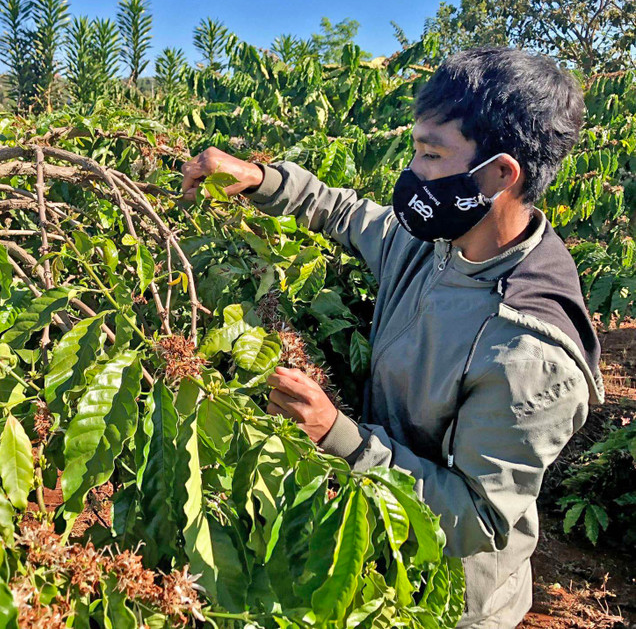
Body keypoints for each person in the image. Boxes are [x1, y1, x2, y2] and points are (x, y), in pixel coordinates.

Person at [179, 47, 603, 628]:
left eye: (431, 154)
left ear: (501, 174)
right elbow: (347, 214)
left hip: (447, 601)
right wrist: (259, 179)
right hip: (376, 548)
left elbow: (475, 519)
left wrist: (339, 437)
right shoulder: (435, 245)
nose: (414, 171)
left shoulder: (530, 353)